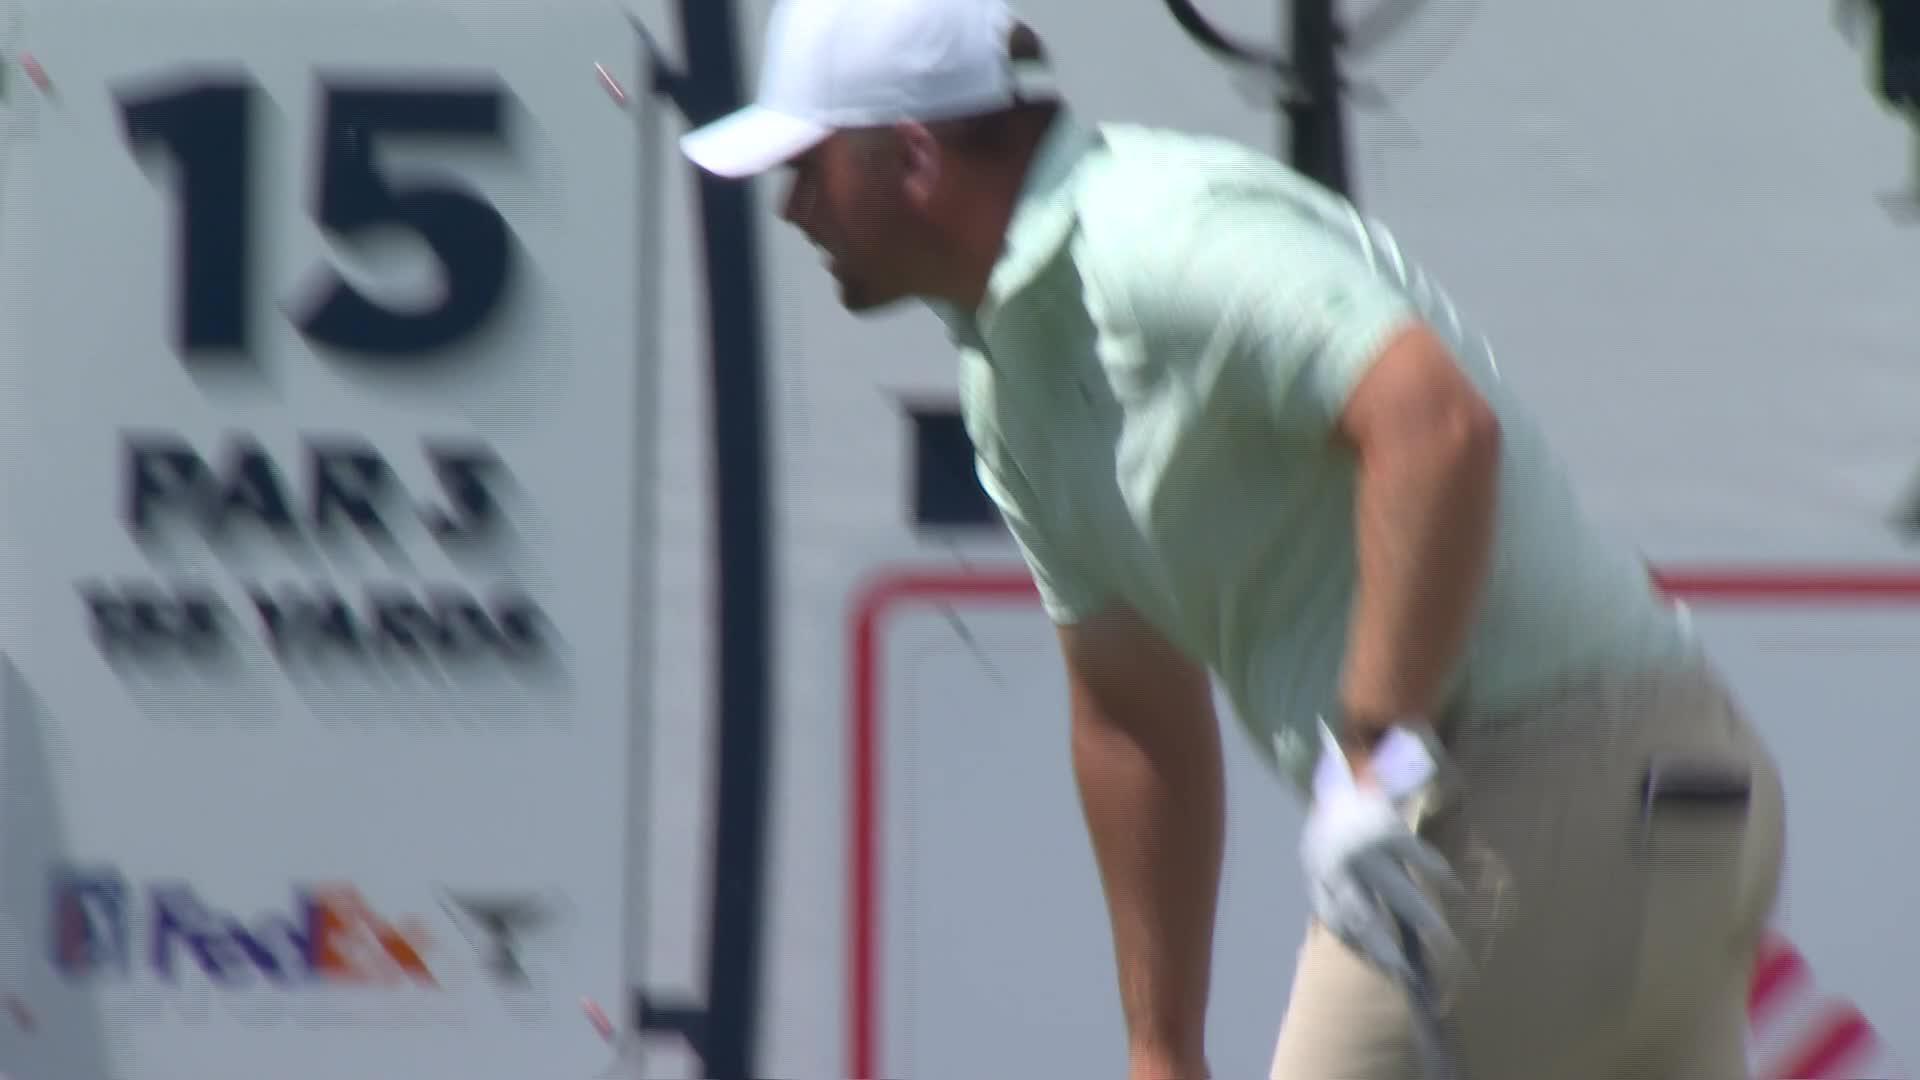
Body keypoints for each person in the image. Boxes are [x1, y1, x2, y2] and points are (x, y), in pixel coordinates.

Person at [680, 0, 1787, 1076]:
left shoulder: (1160, 234)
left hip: (1528, 800)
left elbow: (1434, 425)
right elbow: (1130, 710)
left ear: (908, 155)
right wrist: (1162, 1046)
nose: (792, 210)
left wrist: (1373, 762)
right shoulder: (1008, 387)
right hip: (1677, 797)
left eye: (808, 168)